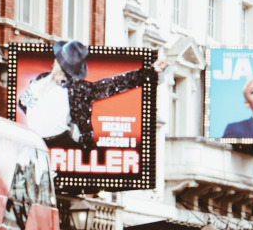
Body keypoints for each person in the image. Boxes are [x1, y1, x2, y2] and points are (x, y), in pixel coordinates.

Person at [18, 40, 168, 153]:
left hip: (59, 145)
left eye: (67, 71)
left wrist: (150, 71)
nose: (62, 73)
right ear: (56, 62)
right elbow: (23, 103)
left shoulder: (77, 89)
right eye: (62, 67)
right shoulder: (40, 80)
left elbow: (111, 84)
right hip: (32, 142)